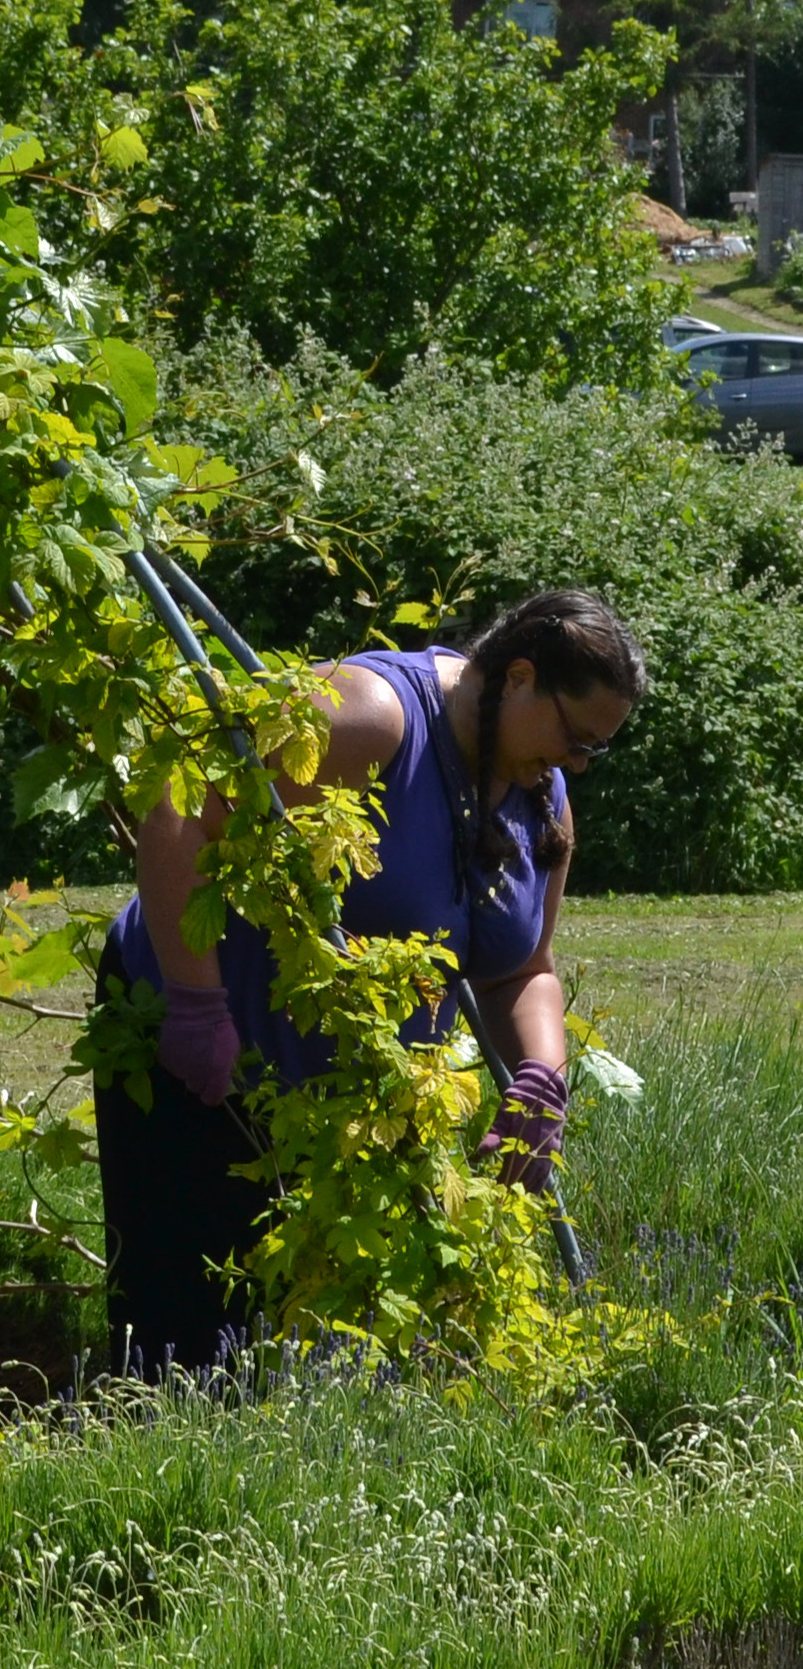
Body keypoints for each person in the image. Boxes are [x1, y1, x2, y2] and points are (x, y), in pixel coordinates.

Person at [94, 588, 647, 1375]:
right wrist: (192, 1001)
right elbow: (179, 801)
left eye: (598, 748)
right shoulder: (376, 717)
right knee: (186, 1331)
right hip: (202, 1040)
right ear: (518, 677)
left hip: (348, 1095)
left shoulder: (537, 789)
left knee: (324, 1350)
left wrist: (539, 1072)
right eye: (575, 735)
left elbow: (520, 966)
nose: (578, 765)